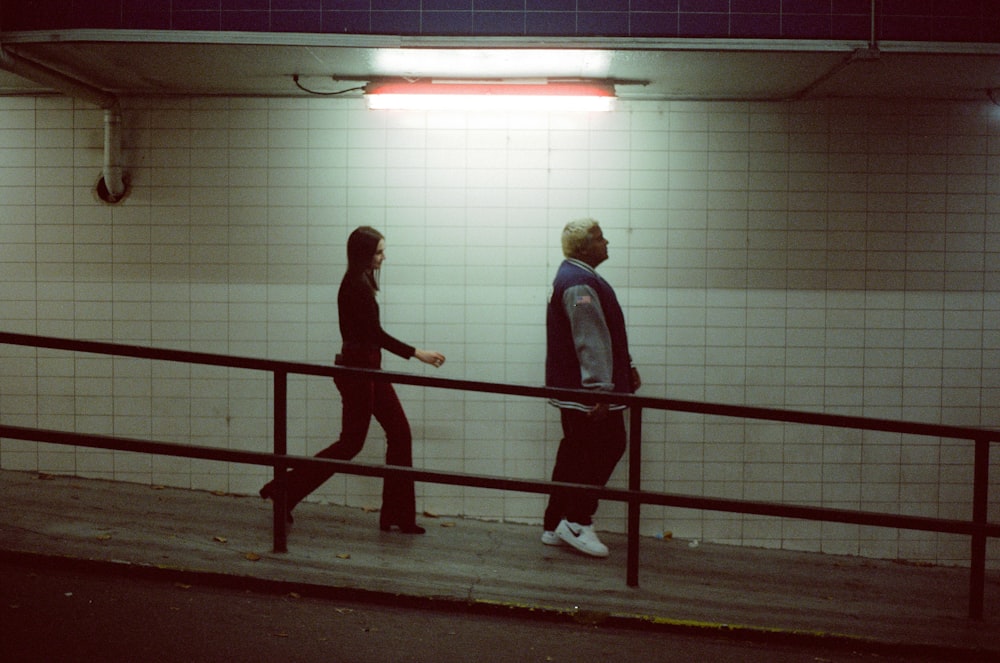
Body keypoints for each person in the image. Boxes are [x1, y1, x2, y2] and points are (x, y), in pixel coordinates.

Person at [260, 226, 446, 534]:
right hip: (358, 372)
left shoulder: (359, 283)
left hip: (367, 369)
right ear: (364, 253)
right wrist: (417, 353)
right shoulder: (355, 286)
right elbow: (375, 334)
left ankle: (397, 515)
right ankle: (285, 490)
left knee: (399, 433)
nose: (384, 257)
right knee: (351, 444)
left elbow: (370, 335)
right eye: (379, 252)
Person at [542, 218, 640, 558]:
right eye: (600, 237)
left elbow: (602, 334)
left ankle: (554, 523)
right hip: (587, 391)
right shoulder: (580, 283)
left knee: (573, 452)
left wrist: (627, 366)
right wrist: (601, 390)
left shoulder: (574, 276)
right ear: (585, 246)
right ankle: (577, 520)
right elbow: (590, 341)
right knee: (610, 444)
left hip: (573, 387)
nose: (607, 241)